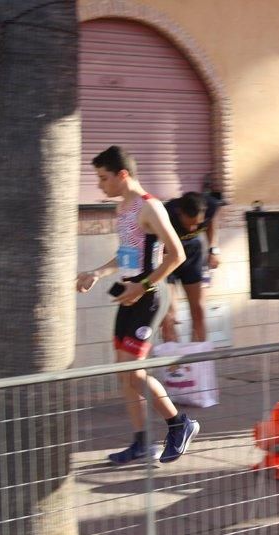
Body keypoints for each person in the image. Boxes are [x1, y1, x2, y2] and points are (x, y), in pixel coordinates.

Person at [76, 146, 200, 465]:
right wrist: (96, 272)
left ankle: (179, 424)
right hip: (129, 295)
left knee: (134, 370)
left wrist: (142, 285)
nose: (100, 185)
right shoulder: (124, 208)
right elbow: (127, 255)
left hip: (148, 296)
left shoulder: (151, 207)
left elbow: (177, 255)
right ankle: (142, 442)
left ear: (123, 175)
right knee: (124, 372)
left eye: (103, 178)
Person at [160, 190, 222, 343]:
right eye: (189, 224)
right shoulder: (166, 212)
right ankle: (173, 364)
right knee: (169, 316)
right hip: (168, 257)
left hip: (192, 253)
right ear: (179, 213)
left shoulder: (210, 205)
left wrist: (213, 249)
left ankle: (198, 362)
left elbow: (211, 221)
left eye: (197, 224)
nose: (193, 229)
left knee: (198, 310)